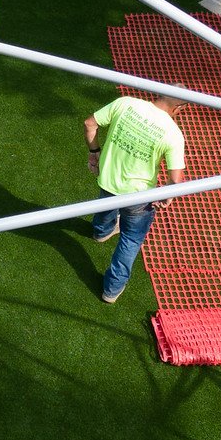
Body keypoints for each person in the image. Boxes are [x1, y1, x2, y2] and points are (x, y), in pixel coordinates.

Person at [83, 96, 185, 303]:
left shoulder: (126, 103)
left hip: (108, 178)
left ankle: (101, 232)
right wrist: (167, 197)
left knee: (106, 204)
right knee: (131, 239)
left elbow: (89, 123)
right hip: (139, 196)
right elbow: (175, 178)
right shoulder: (173, 133)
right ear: (178, 108)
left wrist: (94, 152)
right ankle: (111, 289)